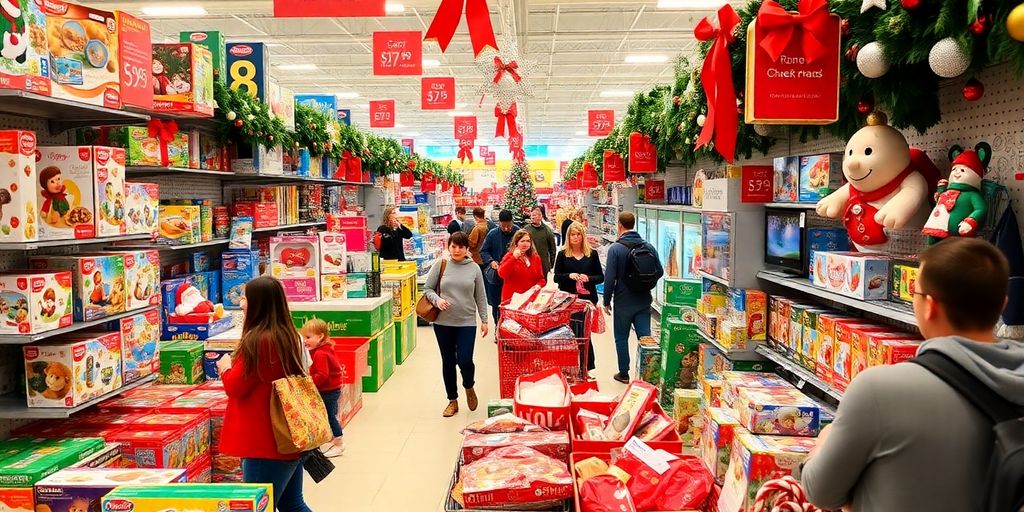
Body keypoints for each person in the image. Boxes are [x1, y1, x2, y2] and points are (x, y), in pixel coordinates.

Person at [800, 238, 1024, 512]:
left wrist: (822, 443)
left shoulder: (880, 390)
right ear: (1002, 305)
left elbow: (822, 492)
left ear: (930, 305)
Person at [217, 276, 312, 512]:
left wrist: (225, 367)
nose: (241, 302)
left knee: (261, 506)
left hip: (264, 440)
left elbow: (235, 387)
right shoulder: (289, 335)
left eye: (245, 297)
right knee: (292, 503)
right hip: (288, 434)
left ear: (258, 303)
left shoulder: (259, 341)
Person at [423, 232, 490, 417]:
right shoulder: (441, 265)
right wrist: (437, 300)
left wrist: (484, 320)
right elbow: (427, 288)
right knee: (448, 361)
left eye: (461, 247)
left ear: (467, 249)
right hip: (443, 322)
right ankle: (452, 400)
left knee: (465, 359)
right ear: (448, 247)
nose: (457, 250)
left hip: (467, 321)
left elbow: (481, 296)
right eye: (454, 246)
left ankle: (469, 386)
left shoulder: (474, 268)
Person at [603, 212, 663, 383]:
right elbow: (659, 271)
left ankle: (623, 373)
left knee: (621, 337)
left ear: (619, 225)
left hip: (623, 302)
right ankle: (649, 374)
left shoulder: (615, 249)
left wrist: (606, 302)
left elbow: (609, 278)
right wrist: (643, 284)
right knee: (645, 337)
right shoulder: (648, 246)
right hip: (644, 300)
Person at [553, 221, 604, 372]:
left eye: (578, 234)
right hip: (568, 302)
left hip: (586, 302)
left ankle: (587, 367)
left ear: (583, 236)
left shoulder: (591, 255)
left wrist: (589, 278)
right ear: (568, 237)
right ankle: (569, 367)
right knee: (568, 335)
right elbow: (556, 277)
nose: (576, 238)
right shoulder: (562, 255)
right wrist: (569, 275)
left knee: (585, 335)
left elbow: (600, 277)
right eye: (573, 235)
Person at [301, 318, 345, 458]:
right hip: (330, 389)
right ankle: (331, 439)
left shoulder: (320, 353)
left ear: (320, 336)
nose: (305, 341)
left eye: (308, 337)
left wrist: (308, 384)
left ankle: (339, 443)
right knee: (328, 415)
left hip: (328, 390)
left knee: (329, 416)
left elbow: (322, 374)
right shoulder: (322, 350)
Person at [480, 210, 518, 324]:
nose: (506, 229)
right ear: (499, 223)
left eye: (509, 226)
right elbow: (484, 251)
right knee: (496, 303)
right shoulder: (492, 234)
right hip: (497, 275)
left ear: (512, 222)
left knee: (514, 303)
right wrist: (491, 261)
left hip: (514, 275)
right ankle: (498, 327)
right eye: (503, 226)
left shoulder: (519, 233)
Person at [498, 229, 547, 304]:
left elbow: (541, 279)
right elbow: (501, 274)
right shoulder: (509, 256)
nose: (525, 244)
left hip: (530, 300)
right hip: (512, 301)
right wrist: (514, 258)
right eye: (522, 241)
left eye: (528, 241)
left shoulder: (536, 258)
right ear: (516, 243)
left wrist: (538, 285)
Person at [523, 206, 557, 276]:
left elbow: (552, 249)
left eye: (534, 215)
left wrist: (551, 264)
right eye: (531, 215)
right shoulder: (526, 229)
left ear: (541, 216)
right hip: (529, 263)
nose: (532, 217)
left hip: (543, 265)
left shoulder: (547, 230)